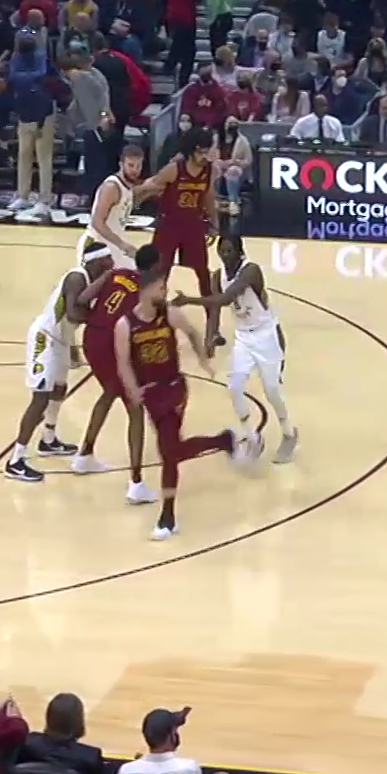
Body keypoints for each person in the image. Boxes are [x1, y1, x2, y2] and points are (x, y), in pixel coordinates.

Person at [116, 259, 259, 540]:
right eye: (161, 288)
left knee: (169, 453)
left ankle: (167, 517)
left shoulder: (169, 314)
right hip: (150, 393)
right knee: (173, 451)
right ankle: (223, 441)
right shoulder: (125, 325)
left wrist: (203, 359)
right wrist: (132, 389)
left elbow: (192, 332)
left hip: (174, 388)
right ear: (146, 290)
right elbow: (123, 361)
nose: (165, 292)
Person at [172, 235, 298, 463]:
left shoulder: (251, 271)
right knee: (234, 386)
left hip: (266, 334)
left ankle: (289, 432)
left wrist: (188, 300)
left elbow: (225, 299)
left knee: (271, 390)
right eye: (222, 250)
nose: (225, 255)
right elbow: (215, 310)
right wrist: (210, 338)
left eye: (229, 251)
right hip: (243, 337)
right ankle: (251, 436)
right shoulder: (218, 276)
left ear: (239, 252)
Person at [70, 243, 159, 504]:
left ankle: (84, 456)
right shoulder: (149, 291)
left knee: (109, 392)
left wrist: (101, 319)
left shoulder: (116, 273)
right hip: (113, 345)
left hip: (91, 339)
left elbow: (82, 299)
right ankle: (136, 484)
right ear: (156, 266)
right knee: (135, 408)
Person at [4, 260, 94, 481]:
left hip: (61, 340)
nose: (111, 263)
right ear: (99, 260)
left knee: (60, 389)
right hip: (44, 339)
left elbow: (67, 321)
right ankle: (15, 461)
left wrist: (72, 347)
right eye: (108, 259)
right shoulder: (77, 277)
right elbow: (72, 314)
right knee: (40, 398)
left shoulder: (89, 282)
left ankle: (48, 440)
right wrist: (101, 318)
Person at [145, 133, 222, 349]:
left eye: (207, 151)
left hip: (193, 226)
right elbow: (151, 186)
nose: (205, 156)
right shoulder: (173, 169)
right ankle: (152, 323)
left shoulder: (209, 170)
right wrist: (134, 196)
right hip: (169, 226)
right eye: (201, 152)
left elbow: (208, 196)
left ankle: (213, 329)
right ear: (191, 150)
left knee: (203, 274)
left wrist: (214, 223)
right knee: (160, 274)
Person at [76, 143, 153, 266]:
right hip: (96, 245)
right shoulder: (111, 187)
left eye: (138, 166)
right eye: (130, 165)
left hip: (113, 245)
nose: (135, 170)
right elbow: (97, 222)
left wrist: (149, 192)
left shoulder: (128, 185)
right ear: (121, 164)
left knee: (136, 275)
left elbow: (124, 207)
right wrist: (122, 245)